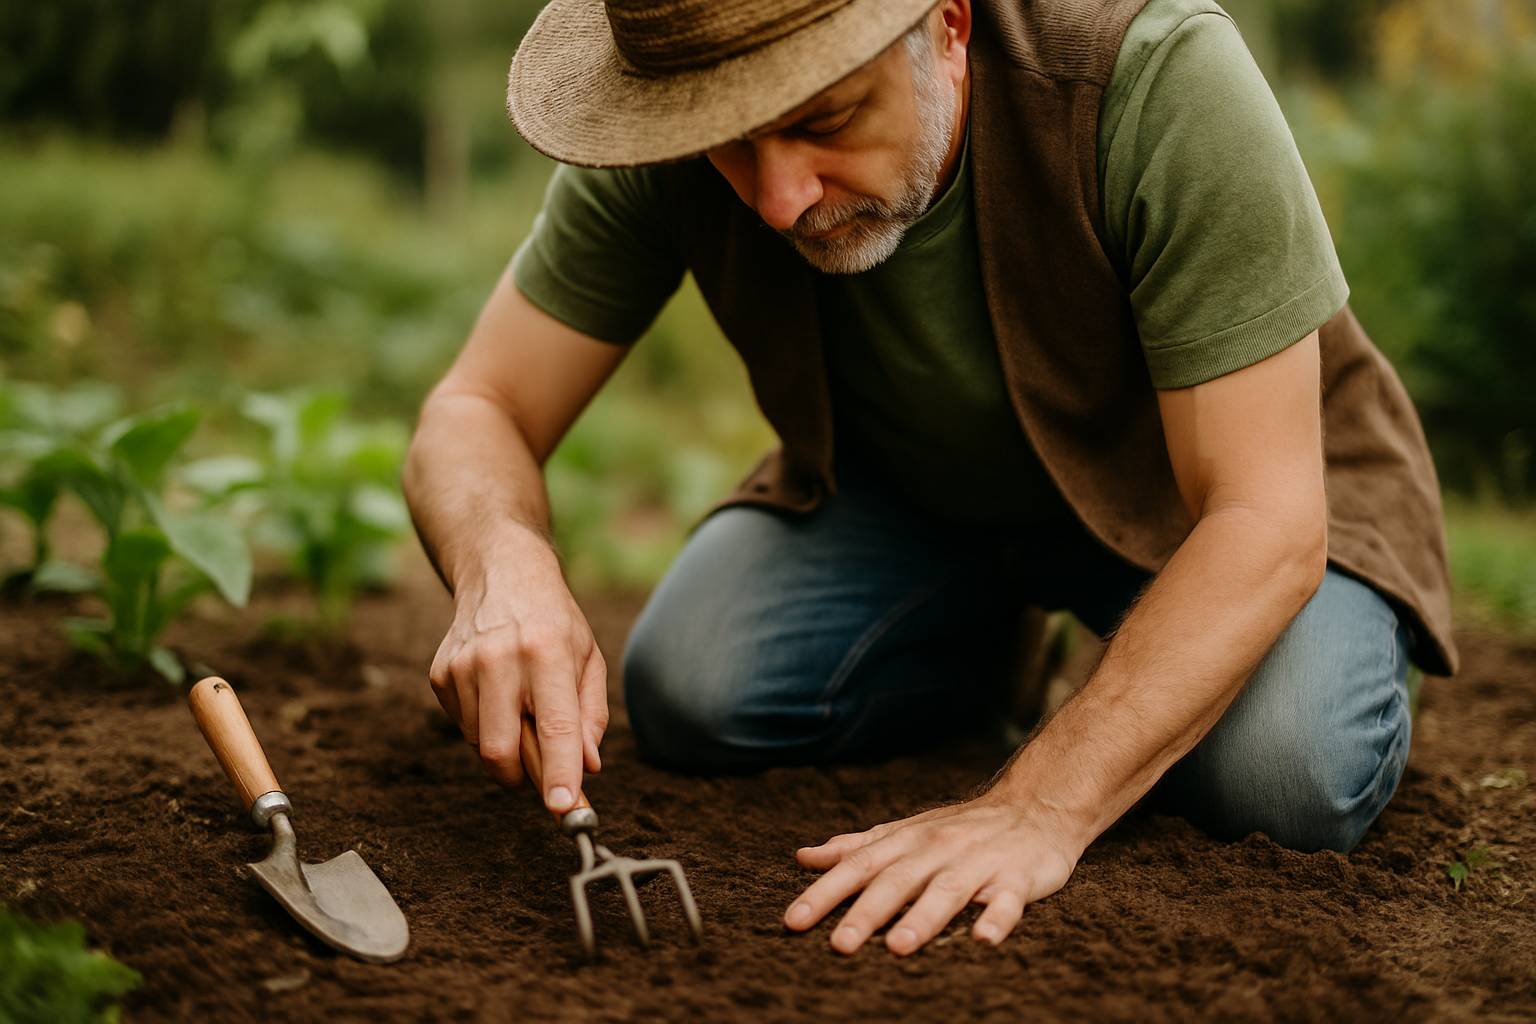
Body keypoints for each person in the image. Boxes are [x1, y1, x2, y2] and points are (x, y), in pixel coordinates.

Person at [402, 0, 1457, 957]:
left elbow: (1265, 516)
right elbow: (476, 407)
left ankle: (1285, 651)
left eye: (824, 119)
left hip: (1223, 514)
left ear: (949, 26)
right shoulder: (675, 107)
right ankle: (1004, 651)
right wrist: (503, 556)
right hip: (929, 505)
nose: (776, 199)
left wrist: (1038, 805)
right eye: (733, 144)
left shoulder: (1153, 74)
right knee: (695, 685)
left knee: (1286, 774)